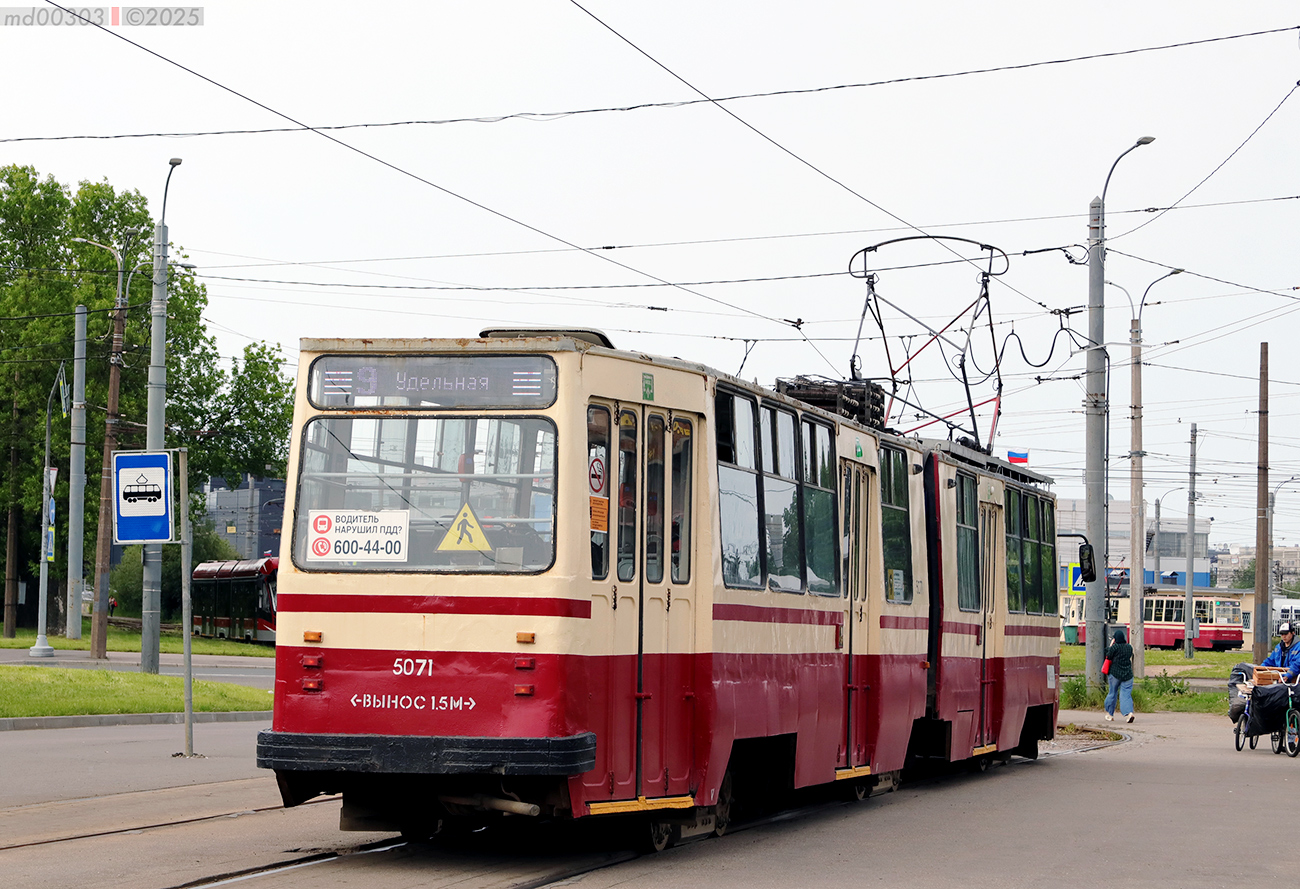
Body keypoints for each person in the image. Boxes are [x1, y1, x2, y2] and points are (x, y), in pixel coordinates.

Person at [1103, 628, 1136, 723]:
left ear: (1115, 639)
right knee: (1126, 695)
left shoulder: (1114, 647)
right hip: (1128, 674)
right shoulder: (1129, 647)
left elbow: (1108, 654)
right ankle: (1129, 713)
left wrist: (1111, 644)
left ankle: (1110, 714)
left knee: (1112, 693)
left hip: (1115, 674)